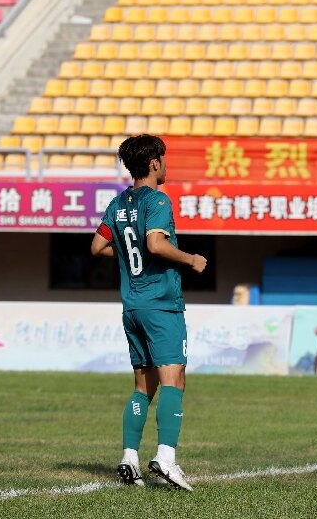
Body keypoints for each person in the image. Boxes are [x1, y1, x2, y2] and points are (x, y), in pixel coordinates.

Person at [90, 134, 207, 491]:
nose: (166, 165)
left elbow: (97, 247)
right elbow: (156, 243)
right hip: (160, 303)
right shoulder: (157, 200)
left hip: (132, 306)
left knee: (143, 386)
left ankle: (129, 458)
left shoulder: (118, 203)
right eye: (164, 159)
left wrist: (127, 254)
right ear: (154, 163)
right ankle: (167, 458)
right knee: (175, 380)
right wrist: (190, 259)